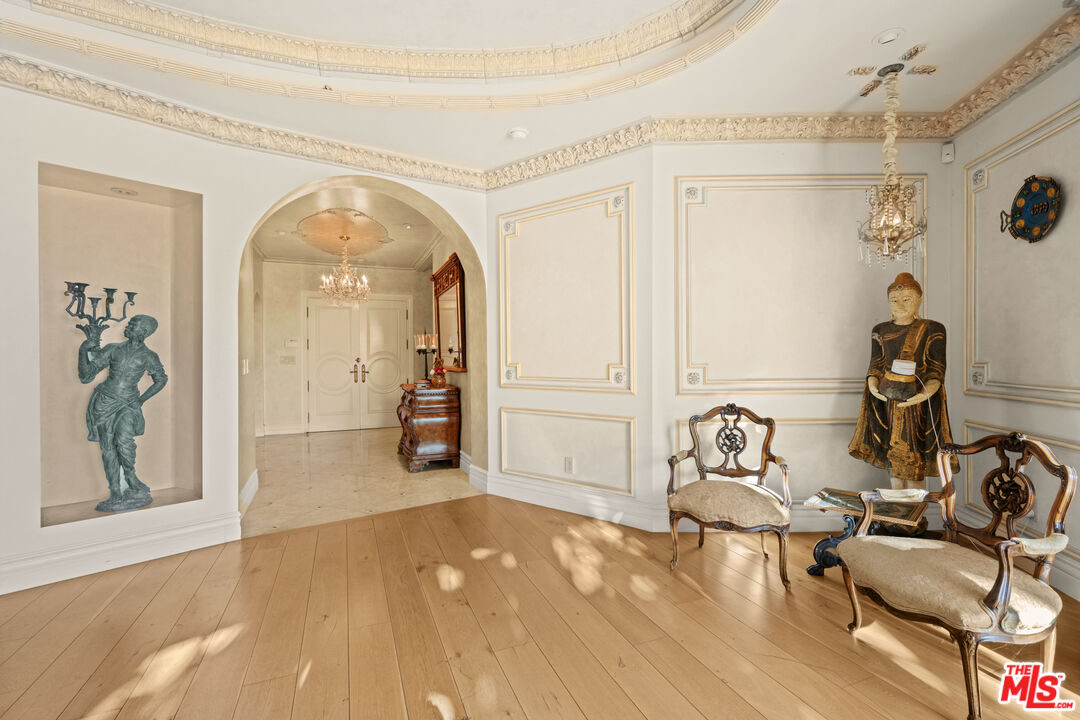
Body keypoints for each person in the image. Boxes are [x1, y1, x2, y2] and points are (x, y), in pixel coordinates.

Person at [848, 273, 956, 489]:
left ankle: (914, 518)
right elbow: (876, 364)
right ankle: (897, 515)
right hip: (888, 399)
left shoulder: (933, 329)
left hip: (919, 401)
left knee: (914, 462)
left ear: (919, 300)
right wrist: (873, 385)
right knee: (893, 460)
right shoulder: (880, 330)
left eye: (906, 299)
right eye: (894, 300)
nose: (899, 304)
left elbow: (936, 369)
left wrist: (924, 394)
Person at [78, 314, 168, 512]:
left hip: (128, 403)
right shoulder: (113, 349)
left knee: (125, 442)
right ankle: (116, 492)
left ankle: (130, 475)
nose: (128, 326)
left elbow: (161, 379)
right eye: (129, 323)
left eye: (133, 324)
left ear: (143, 332)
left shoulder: (149, 356)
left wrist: (141, 400)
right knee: (108, 447)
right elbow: (86, 376)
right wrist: (83, 351)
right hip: (104, 401)